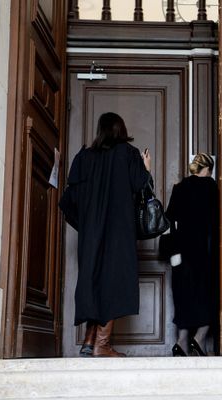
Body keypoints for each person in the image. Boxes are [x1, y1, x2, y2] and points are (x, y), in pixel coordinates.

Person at [60, 112, 151, 357]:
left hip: (91, 234)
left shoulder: (84, 157)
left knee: (94, 281)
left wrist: (89, 224)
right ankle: (102, 345)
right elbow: (141, 187)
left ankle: (89, 342)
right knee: (113, 282)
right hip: (119, 232)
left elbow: (69, 200)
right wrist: (146, 167)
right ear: (121, 130)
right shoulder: (129, 154)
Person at [165, 153, 219, 356]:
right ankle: (200, 337)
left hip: (180, 252)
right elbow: (216, 221)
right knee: (208, 295)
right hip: (204, 251)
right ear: (209, 169)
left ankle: (181, 342)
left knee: (184, 296)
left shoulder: (179, 188)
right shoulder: (211, 187)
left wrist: (172, 251)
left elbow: (168, 220)